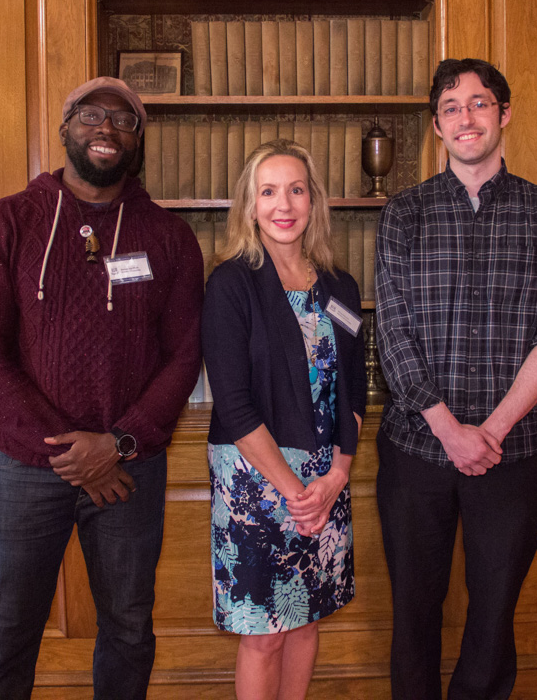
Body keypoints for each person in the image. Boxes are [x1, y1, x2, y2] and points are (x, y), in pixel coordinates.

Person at [0, 76, 204, 700]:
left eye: (123, 121)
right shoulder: (6, 222)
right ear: (65, 129)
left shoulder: (171, 238)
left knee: (127, 630)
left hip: (129, 467)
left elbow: (183, 357)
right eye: (91, 116)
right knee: (5, 633)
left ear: (139, 140)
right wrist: (76, 455)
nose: (106, 129)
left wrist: (117, 444)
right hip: (25, 470)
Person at [374, 58, 537, 699]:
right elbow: (394, 333)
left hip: (513, 451)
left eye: (480, 103)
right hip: (415, 449)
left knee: (493, 615)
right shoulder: (404, 213)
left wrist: (486, 432)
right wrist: (447, 429)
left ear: (504, 114)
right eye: (452, 107)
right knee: (413, 612)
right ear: (437, 126)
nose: (467, 117)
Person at [202, 139, 367, 700]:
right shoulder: (231, 284)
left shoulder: (339, 286)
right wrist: (296, 492)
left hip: (326, 476)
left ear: (313, 201)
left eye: (296, 189)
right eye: (267, 191)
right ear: (249, 205)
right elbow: (234, 404)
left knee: (306, 616)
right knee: (265, 635)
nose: (283, 203)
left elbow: (356, 390)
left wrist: (337, 476)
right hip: (257, 479)